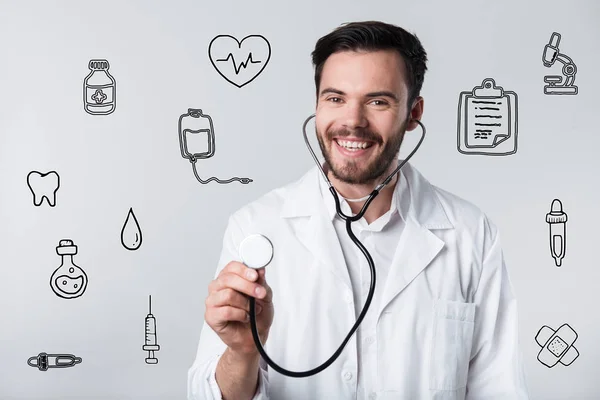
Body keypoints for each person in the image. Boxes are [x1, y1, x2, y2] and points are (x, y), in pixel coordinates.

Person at [187, 20, 530, 400]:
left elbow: (500, 390)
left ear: (413, 113)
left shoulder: (471, 234)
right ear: (317, 105)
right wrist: (243, 352)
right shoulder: (256, 228)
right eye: (335, 98)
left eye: (377, 101)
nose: (352, 121)